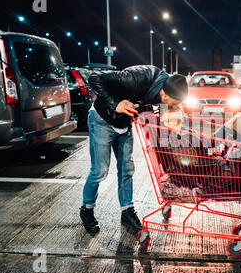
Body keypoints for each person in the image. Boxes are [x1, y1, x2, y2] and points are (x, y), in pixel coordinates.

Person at [80, 65, 188, 234]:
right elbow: (95, 78)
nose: (171, 107)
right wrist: (115, 104)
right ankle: (87, 209)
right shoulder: (136, 78)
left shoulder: (168, 87)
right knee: (100, 171)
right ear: (164, 94)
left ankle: (127, 211)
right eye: (172, 103)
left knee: (126, 170)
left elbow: (153, 112)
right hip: (102, 120)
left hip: (123, 124)